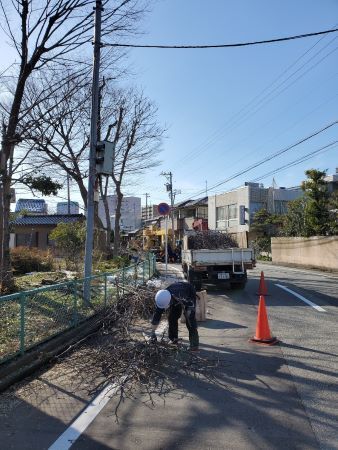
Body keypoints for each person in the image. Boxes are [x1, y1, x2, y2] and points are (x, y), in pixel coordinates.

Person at [150, 282, 199, 350]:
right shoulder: (163, 297)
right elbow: (157, 314)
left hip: (188, 293)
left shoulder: (182, 295)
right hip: (175, 296)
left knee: (190, 318)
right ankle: (173, 339)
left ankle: (194, 344)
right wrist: (153, 332)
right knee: (172, 317)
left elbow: (190, 305)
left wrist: (189, 310)